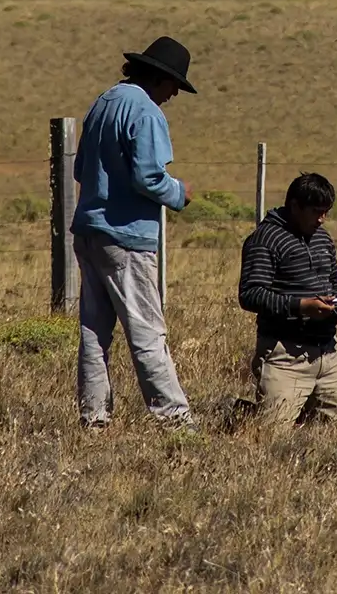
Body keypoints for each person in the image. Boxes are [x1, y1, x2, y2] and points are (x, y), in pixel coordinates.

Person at [72, 36, 198, 429]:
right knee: (146, 330)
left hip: (89, 230)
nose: (175, 92)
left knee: (94, 334)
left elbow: (79, 170)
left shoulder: (104, 101)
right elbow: (148, 176)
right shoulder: (146, 113)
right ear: (159, 78)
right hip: (126, 236)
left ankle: (94, 419)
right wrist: (179, 192)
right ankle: (174, 421)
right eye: (174, 83)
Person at [237, 172, 337, 428]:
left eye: (326, 211)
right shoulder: (265, 240)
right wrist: (301, 306)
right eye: (316, 211)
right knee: (269, 437)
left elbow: (332, 282)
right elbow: (250, 294)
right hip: (285, 355)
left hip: (327, 354)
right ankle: (238, 417)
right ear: (294, 206)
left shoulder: (322, 238)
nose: (322, 219)